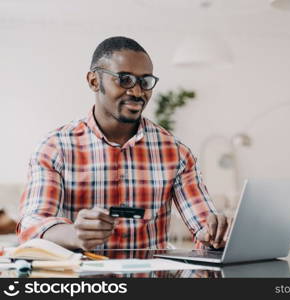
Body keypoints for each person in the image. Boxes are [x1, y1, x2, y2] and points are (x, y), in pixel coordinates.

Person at [17, 36, 229, 251]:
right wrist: (74, 234)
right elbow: (32, 225)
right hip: (81, 282)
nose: (137, 92)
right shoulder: (55, 148)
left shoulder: (176, 153)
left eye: (145, 82)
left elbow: (203, 224)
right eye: (124, 79)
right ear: (93, 81)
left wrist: (212, 234)